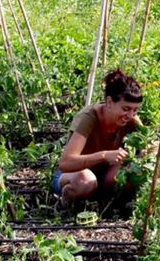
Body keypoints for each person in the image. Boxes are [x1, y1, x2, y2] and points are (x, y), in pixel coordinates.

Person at [54, 69, 142, 202]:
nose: (130, 115)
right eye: (126, 109)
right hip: (75, 175)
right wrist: (104, 156)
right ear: (109, 102)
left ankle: (104, 200)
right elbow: (65, 163)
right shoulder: (88, 118)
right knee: (86, 181)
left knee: (138, 170)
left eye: (135, 110)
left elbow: (150, 145)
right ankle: (65, 202)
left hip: (105, 176)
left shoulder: (131, 120)